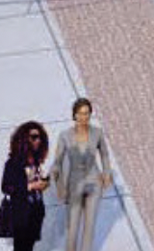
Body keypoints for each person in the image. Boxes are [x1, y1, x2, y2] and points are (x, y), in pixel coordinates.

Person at [48, 99, 109, 251]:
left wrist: (106, 173)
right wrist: (60, 186)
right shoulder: (65, 136)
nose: (84, 117)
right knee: (72, 228)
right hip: (74, 185)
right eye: (81, 114)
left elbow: (105, 154)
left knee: (89, 228)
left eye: (87, 113)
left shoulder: (97, 133)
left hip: (94, 184)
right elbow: (57, 163)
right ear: (74, 115)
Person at [0, 122, 49, 251]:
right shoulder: (13, 162)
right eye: (34, 137)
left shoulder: (35, 162)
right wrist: (29, 187)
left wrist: (44, 183)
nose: (38, 140)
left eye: (40, 137)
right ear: (24, 139)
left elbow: (36, 184)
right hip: (21, 216)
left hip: (35, 213)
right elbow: (6, 187)